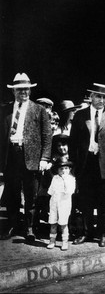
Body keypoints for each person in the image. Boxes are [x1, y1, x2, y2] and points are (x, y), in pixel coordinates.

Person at [70, 83, 105, 247]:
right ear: (91, 96)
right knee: (85, 200)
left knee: (104, 202)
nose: (101, 100)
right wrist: (74, 165)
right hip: (85, 164)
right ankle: (86, 232)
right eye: (98, 96)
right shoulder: (80, 115)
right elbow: (73, 142)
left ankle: (104, 234)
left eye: (104, 97)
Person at [0, 73, 52, 241]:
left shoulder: (39, 110)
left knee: (31, 195)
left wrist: (44, 158)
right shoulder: (5, 110)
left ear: (30, 90)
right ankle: (13, 225)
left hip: (31, 158)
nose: (23, 92)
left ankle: (30, 227)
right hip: (11, 157)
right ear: (13, 91)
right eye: (19, 90)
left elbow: (47, 136)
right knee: (12, 193)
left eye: (26, 89)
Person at [46, 157, 76, 251]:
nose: (63, 171)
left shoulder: (71, 179)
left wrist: (65, 180)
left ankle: (65, 241)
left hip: (64, 204)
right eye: (61, 169)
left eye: (66, 168)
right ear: (57, 170)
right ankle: (52, 240)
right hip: (54, 203)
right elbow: (50, 191)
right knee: (53, 223)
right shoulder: (55, 178)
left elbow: (70, 191)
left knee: (63, 224)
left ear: (69, 169)